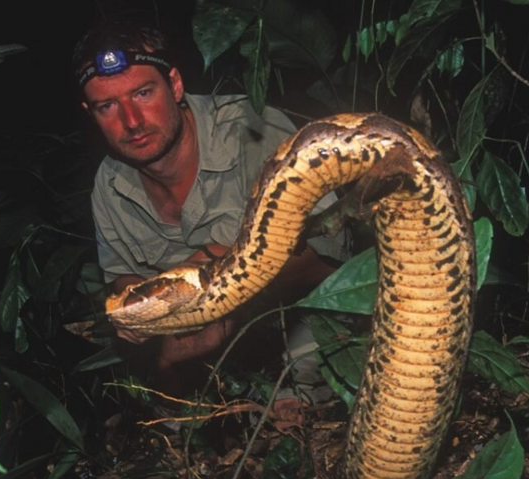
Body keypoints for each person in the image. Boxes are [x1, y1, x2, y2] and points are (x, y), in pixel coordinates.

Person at [72, 19, 346, 397]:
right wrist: (136, 314)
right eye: (107, 106)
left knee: (313, 379)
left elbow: (329, 261)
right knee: (173, 392)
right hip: (204, 352)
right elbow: (122, 281)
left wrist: (220, 281)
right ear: (90, 113)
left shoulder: (255, 131)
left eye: (143, 94)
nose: (131, 122)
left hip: (297, 318)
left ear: (175, 84)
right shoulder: (110, 183)